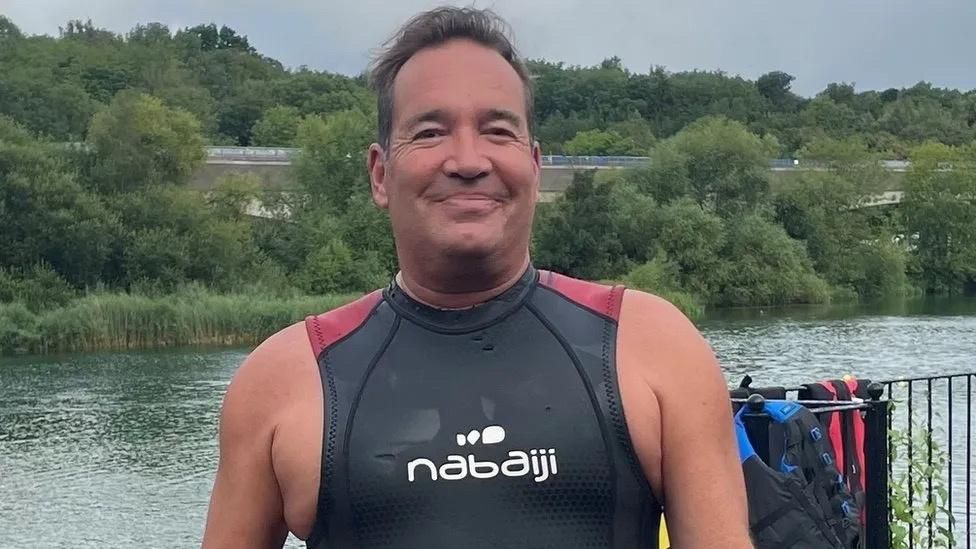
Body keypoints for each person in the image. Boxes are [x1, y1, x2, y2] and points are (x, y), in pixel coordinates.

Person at [201, 7, 752, 548]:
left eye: (497, 130)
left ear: (534, 167)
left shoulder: (654, 346)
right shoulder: (282, 380)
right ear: (379, 173)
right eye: (431, 131)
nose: (468, 159)